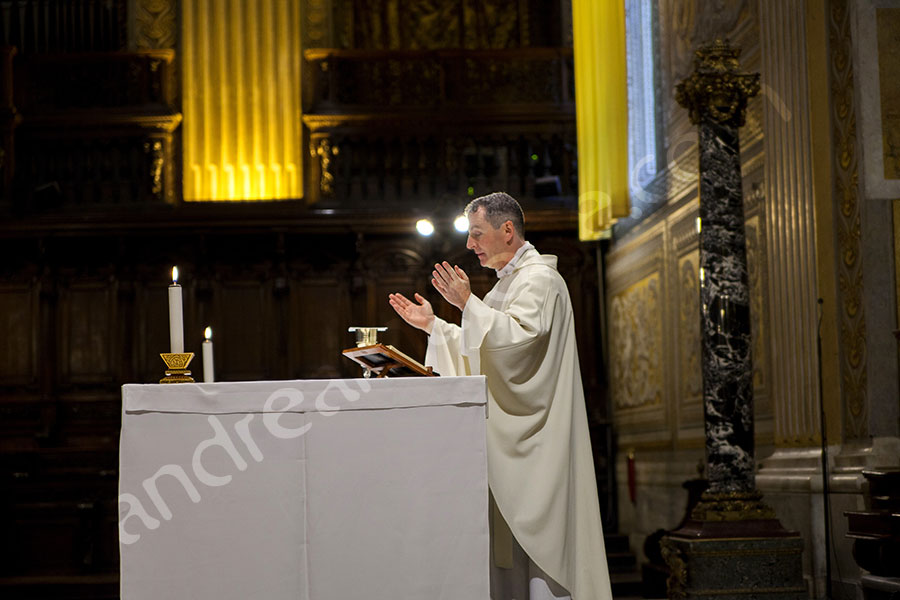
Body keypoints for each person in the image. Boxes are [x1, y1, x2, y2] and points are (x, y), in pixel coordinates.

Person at [388, 192, 611, 600]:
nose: (470, 245)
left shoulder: (540, 280)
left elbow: (519, 347)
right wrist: (435, 327)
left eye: (477, 234)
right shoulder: (504, 288)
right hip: (517, 448)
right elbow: (485, 350)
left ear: (507, 230)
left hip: (539, 446)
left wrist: (467, 304)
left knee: (542, 562)